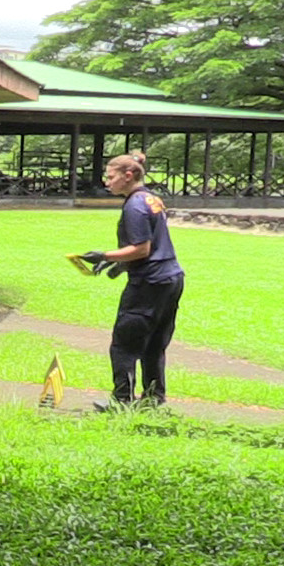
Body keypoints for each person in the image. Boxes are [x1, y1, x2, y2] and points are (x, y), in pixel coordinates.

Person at [81, 151, 185, 409]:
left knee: (124, 343)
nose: (107, 182)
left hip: (149, 282)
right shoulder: (150, 198)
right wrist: (120, 264)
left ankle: (121, 400)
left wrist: (104, 255)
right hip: (170, 278)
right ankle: (153, 399)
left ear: (128, 176)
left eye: (111, 177)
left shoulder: (135, 205)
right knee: (153, 343)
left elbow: (142, 248)